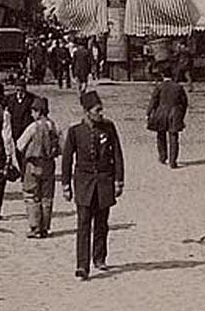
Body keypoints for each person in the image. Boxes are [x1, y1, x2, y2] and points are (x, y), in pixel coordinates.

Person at [61, 90, 124, 280]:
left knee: (102, 224)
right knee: (83, 224)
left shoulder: (108, 128)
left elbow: (117, 155)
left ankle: (99, 257)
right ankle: (82, 265)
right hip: (84, 184)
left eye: (101, 110)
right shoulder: (75, 132)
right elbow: (66, 160)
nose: (100, 114)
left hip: (104, 182)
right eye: (97, 111)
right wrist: (66, 185)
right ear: (87, 112)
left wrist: (119, 181)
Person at [16, 95, 60, 238]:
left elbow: (20, 144)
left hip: (33, 164)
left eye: (33, 111)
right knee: (47, 197)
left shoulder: (33, 127)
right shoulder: (53, 125)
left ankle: (35, 227)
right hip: (49, 164)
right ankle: (45, 227)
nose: (31, 114)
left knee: (31, 195)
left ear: (38, 111)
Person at [146, 63, 188, 169]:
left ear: (162, 75)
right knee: (174, 137)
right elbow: (184, 103)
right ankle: (173, 161)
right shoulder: (178, 87)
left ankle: (162, 157)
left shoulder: (159, 87)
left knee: (161, 135)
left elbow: (153, 101)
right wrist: (181, 114)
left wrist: (148, 113)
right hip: (175, 113)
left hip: (161, 113)